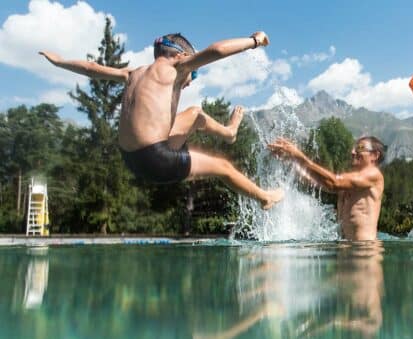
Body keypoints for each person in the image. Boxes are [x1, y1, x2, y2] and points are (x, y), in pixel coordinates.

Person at [40, 32, 283, 209]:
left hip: (131, 159)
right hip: (156, 158)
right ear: (182, 56)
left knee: (195, 114)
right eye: (193, 75)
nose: (189, 81)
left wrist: (59, 61)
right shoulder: (177, 67)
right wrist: (254, 41)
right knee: (224, 168)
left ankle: (229, 133)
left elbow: (91, 68)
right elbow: (217, 50)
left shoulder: (131, 73)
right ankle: (265, 197)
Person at [267, 136, 385, 241]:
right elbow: (318, 182)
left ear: (375, 155)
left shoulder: (374, 175)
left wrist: (299, 156)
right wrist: (291, 160)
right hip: (345, 251)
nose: (353, 152)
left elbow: (334, 182)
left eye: (360, 148)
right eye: (354, 148)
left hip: (365, 252)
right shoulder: (351, 181)